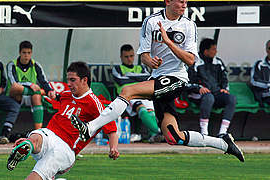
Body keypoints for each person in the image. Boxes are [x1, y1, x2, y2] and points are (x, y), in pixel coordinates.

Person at [71, 0, 244, 162]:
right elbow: (144, 55)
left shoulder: (189, 25)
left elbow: (191, 60)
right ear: (167, 1)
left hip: (177, 78)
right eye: (180, 1)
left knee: (127, 91)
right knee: (173, 137)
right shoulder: (151, 22)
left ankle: (91, 127)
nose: (184, 5)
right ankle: (224, 143)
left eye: (186, 1)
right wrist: (150, 61)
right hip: (158, 79)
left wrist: (168, 42)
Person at [6, 62, 119, 180]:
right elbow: (54, 97)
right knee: (36, 135)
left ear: (84, 80)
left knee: (34, 177)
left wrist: (113, 148)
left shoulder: (94, 103)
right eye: (68, 80)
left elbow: (111, 129)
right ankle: (27, 145)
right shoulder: (66, 95)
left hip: (65, 148)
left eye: (72, 80)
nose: (68, 84)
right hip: (50, 135)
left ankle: (29, 147)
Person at [187, 38, 236, 136]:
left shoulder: (218, 62)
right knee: (209, 97)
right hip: (197, 94)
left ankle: (223, 132)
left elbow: (224, 78)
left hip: (215, 93)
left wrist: (224, 88)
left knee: (231, 98)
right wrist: (199, 88)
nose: (215, 51)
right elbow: (187, 82)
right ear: (206, 51)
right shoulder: (194, 62)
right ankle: (204, 132)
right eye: (213, 49)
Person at [112, 44, 162, 142]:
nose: (129, 59)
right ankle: (159, 132)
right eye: (126, 57)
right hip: (128, 95)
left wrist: (129, 76)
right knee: (141, 109)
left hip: (143, 93)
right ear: (121, 57)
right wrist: (138, 78)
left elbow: (147, 78)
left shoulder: (141, 68)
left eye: (131, 56)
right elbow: (121, 80)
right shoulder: (117, 68)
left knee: (151, 111)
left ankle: (154, 136)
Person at [6, 41, 56, 130]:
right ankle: (37, 92)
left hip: (31, 96)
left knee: (36, 97)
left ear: (31, 53)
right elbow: (14, 82)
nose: (26, 55)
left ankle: (38, 130)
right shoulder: (12, 64)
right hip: (16, 96)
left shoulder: (36, 65)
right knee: (16, 87)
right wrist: (31, 85)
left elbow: (43, 81)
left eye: (29, 53)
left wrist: (50, 91)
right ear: (19, 53)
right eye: (24, 53)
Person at [250, 40, 270, 107]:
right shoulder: (259, 64)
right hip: (265, 94)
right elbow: (254, 81)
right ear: (266, 50)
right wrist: (268, 85)